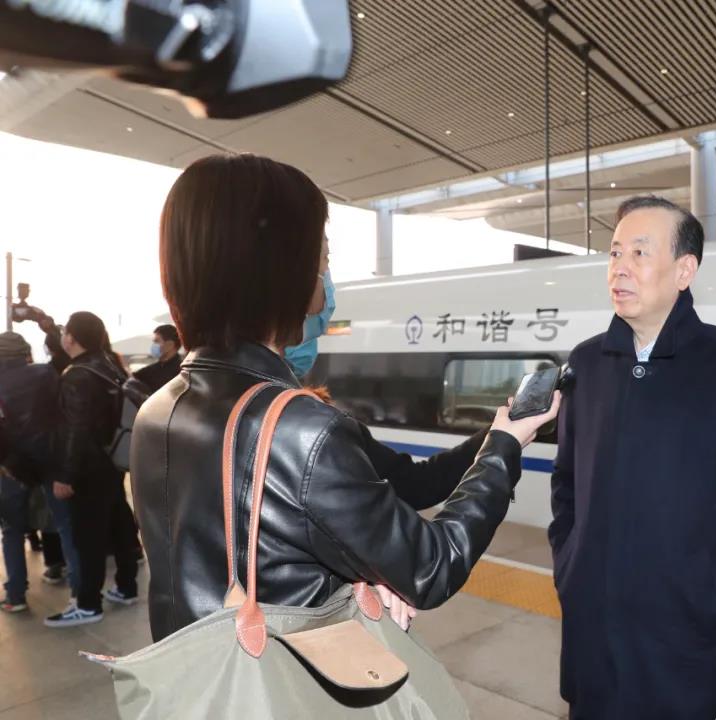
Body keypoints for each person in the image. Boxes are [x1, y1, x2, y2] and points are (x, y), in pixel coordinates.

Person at [133, 153, 558, 645]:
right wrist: (503, 452)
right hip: (280, 675)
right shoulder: (299, 431)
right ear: (278, 267)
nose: (326, 275)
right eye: (322, 257)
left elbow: (403, 487)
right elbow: (431, 566)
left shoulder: (158, 409)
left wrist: (501, 432)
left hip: (193, 670)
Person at [549, 196, 716, 718]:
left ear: (685, 271)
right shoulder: (587, 364)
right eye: (615, 253)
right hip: (593, 642)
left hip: (690, 648)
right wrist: (571, 568)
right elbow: (566, 486)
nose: (620, 268)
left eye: (639, 253)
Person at [45, 312, 142, 627]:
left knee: (88, 537)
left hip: (88, 467)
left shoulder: (77, 375)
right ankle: (126, 587)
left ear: (71, 338)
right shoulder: (110, 366)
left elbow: (75, 429)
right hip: (113, 459)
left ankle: (88, 604)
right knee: (120, 524)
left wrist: (65, 475)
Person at [0, 331, 81, 611]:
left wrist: (7, 462)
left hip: (12, 467)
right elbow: (63, 415)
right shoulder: (45, 373)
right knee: (66, 527)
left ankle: (15, 596)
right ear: (25, 352)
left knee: (11, 531)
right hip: (50, 460)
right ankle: (80, 595)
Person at [133, 324, 183, 394]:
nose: (153, 345)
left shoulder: (181, 372)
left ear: (170, 345)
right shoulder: (152, 369)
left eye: (156, 341)